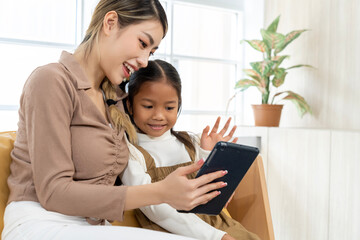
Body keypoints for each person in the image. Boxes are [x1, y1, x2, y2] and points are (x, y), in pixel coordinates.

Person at [1, 1, 229, 239]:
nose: (144, 60)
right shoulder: (51, 81)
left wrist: (209, 177)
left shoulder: (115, 100)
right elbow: (54, 193)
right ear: (110, 23)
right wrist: (160, 192)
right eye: (142, 43)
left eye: (151, 52)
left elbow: (150, 156)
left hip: (91, 228)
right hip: (40, 223)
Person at [121, 59, 260, 240]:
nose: (159, 115)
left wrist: (209, 155)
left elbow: (212, 194)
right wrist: (215, 237)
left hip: (218, 225)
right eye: (148, 106)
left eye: (169, 107)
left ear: (178, 106)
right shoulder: (131, 152)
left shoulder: (190, 142)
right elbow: (154, 208)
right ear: (130, 106)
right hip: (172, 231)